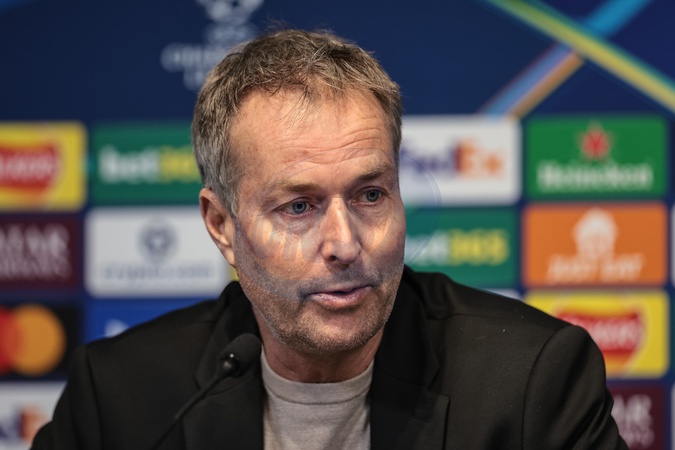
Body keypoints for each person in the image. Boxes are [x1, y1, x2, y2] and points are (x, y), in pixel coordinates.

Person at [33, 29, 627, 450]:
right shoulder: (119, 398)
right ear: (222, 226)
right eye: (298, 206)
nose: (344, 243)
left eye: (370, 195)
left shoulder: (532, 381)